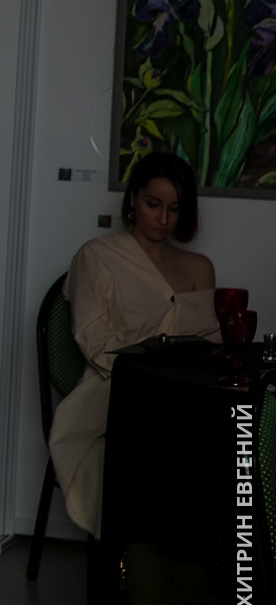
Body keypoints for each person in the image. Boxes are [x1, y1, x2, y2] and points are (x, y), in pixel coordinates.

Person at [48, 152, 219, 539]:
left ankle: (195, 554)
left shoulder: (199, 267)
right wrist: (158, 356)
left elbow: (208, 346)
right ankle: (145, 554)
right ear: (132, 200)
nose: (163, 219)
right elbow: (95, 341)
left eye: (174, 209)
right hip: (115, 385)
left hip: (183, 388)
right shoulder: (97, 256)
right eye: (153, 204)